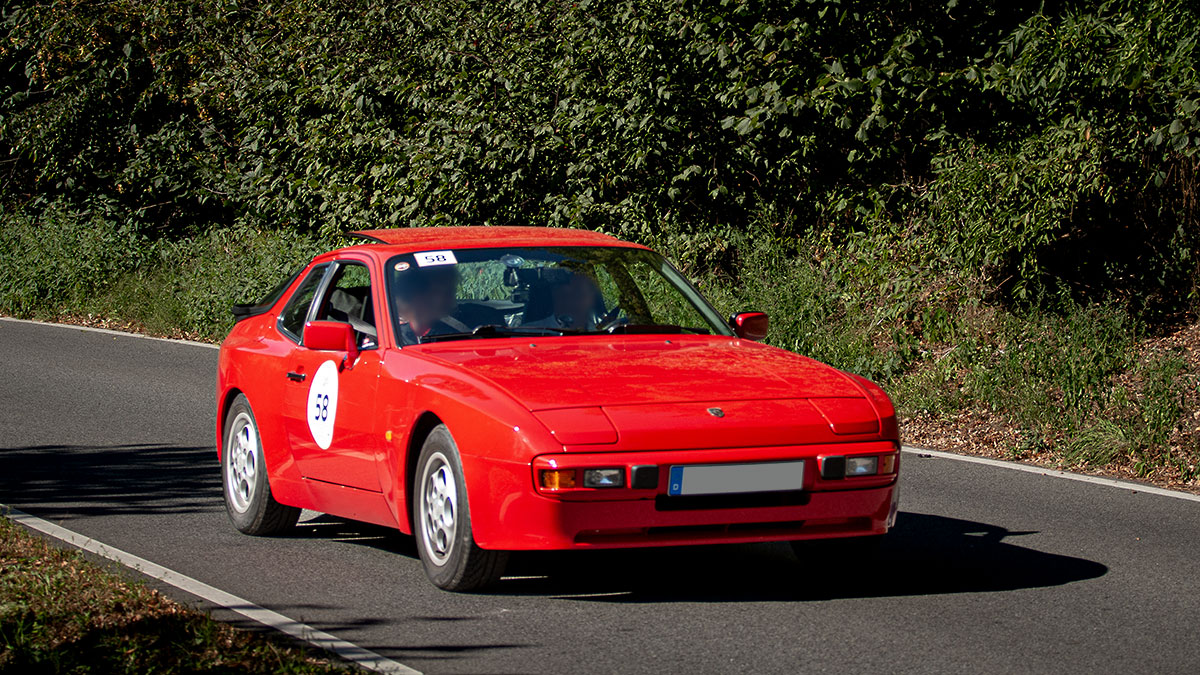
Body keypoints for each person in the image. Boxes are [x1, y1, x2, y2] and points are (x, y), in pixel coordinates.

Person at [392, 265, 469, 345]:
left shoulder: (456, 335)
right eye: (441, 292)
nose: (450, 300)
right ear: (418, 296)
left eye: (451, 292)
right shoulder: (394, 337)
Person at [522, 269, 602, 331]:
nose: (571, 301)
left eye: (579, 294)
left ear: (592, 298)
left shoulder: (604, 334)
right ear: (555, 296)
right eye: (565, 295)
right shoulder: (526, 334)